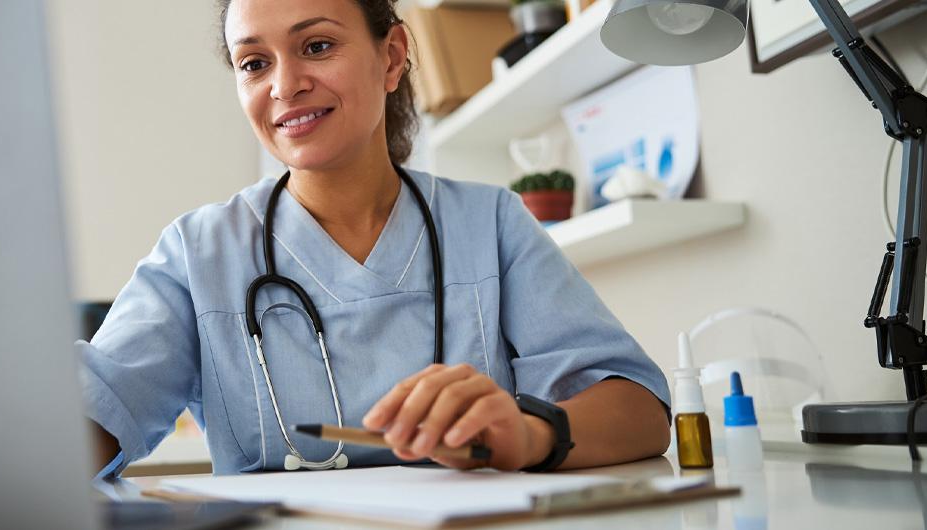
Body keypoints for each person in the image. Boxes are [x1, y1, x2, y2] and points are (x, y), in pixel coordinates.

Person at [79, 0, 671, 476]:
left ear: (391, 57)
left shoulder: (489, 223)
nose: (285, 86)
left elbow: (641, 411)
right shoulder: (197, 253)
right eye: (254, 63)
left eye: (317, 46)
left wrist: (527, 433)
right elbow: (91, 418)